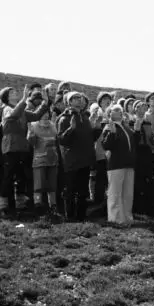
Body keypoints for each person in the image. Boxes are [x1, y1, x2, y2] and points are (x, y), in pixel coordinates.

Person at [0, 87, 49, 214]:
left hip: (22, 146)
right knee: (8, 175)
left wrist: (45, 103)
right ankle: (3, 205)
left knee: (21, 175)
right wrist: (23, 100)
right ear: (6, 97)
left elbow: (36, 115)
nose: (15, 92)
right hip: (10, 145)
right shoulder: (6, 109)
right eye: (12, 92)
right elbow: (12, 116)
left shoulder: (22, 109)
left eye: (15, 91)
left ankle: (20, 203)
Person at [57, 91, 98, 222]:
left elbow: (90, 139)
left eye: (80, 98)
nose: (79, 100)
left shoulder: (85, 118)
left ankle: (81, 216)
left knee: (83, 191)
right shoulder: (64, 118)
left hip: (85, 160)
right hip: (71, 160)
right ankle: (69, 216)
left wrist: (96, 128)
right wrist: (71, 129)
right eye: (75, 98)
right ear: (69, 102)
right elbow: (62, 140)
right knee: (70, 190)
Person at [100, 103, 138, 226]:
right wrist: (111, 133)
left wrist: (137, 131)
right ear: (109, 113)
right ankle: (115, 219)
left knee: (128, 193)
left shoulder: (126, 127)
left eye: (120, 110)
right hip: (116, 164)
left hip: (128, 164)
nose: (119, 112)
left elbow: (134, 143)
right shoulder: (108, 127)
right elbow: (106, 145)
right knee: (115, 193)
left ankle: (127, 218)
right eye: (115, 110)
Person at [27, 106, 61, 219]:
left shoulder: (53, 125)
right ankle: (38, 206)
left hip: (53, 159)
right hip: (39, 159)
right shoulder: (33, 125)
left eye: (47, 113)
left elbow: (57, 140)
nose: (46, 115)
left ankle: (53, 206)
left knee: (52, 184)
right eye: (43, 113)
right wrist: (31, 134)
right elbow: (32, 143)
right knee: (39, 184)